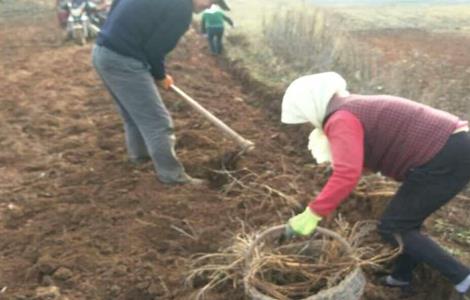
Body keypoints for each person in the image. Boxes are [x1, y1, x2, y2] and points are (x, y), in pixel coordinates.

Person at [281, 72, 470, 298]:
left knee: (394, 227)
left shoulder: (341, 118)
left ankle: (463, 280)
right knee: (406, 222)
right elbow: (366, 157)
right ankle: (401, 277)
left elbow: (347, 173)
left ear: (311, 106)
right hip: (452, 147)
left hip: (445, 155)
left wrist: (313, 212)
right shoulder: (350, 107)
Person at [92, 0, 230, 185]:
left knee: (134, 114)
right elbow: (155, 50)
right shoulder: (181, 9)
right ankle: (172, 176)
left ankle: (140, 158)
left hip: (103, 52)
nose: (210, 5)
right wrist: (160, 75)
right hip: (123, 59)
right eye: (210, 0)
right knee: (158, 122)